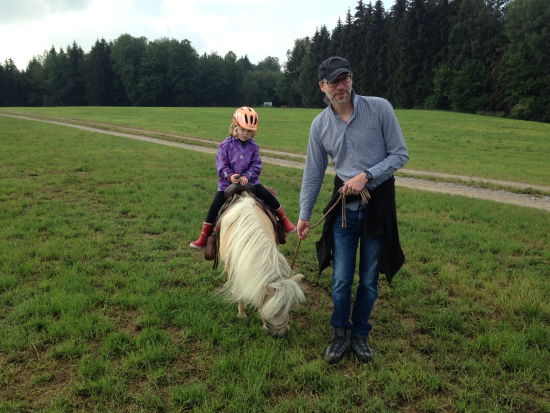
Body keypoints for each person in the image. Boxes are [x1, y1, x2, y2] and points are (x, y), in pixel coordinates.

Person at [297, 56, 409, 364]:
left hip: (378, 203)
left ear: (351, 79)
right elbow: (313, 172)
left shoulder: (380, 108)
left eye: (344, 78)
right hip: (343, 207)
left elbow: (400, 154)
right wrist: (305, 214)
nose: (340, 86)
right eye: (333, 81)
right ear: (323, 86)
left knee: (369, 278)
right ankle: (339, 332)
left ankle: (360, 333)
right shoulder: (319, 125)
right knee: (342, 277)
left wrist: (368, 175)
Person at [190, 106, 296, 249]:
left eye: (249, 131)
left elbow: (256, 164)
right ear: (235, 127)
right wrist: (230, 176)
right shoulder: (225, 146)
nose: (246, 133)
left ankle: (284, 221)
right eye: (243, 129)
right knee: (214, 207)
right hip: (227, 185)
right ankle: (203, 237)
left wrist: (247, 175)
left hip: (250, 182)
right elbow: (221, 165)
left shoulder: (253, 147)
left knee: (268, 196)